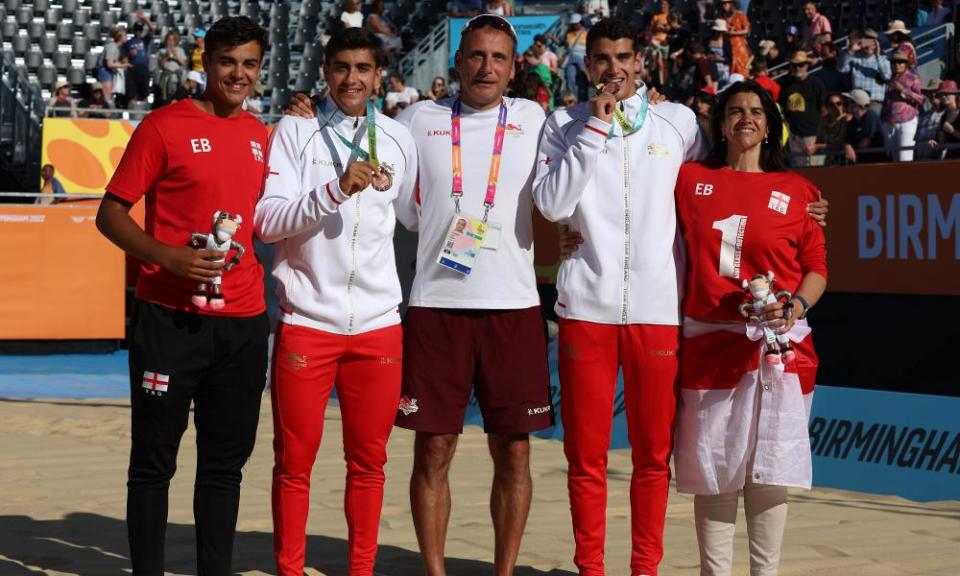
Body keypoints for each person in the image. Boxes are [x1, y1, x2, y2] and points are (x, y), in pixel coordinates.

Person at [94, 16, 270, 575]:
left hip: (244, 321)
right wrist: (166, 256)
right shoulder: (164, 127)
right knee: (153, 464)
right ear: (206, 62)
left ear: (260, 70)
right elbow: (109, 214)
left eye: (249, 64)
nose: (237, 74)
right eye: (227, 62)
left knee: (224, 467)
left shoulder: (262, 135)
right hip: (168, 319)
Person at [533, 17, 703, 576]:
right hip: (586, 308)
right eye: (602, 59)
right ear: (588, 66)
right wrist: (594, 133)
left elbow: (720, 183)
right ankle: (591, 569)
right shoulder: (563, 124)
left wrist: (804, 204)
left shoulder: (679, 122)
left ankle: (645, 569)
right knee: (585, 457)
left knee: (654, 457)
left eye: (623, 58)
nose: (613, 69)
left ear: (642, 61)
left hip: (655, 310)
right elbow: (554, 206)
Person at [393, 14, 553, 576]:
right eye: (478, 56)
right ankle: (435, 571)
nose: (487, 68)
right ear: (458, 61)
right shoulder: (417, 119)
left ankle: (503, 571)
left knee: (513, 450)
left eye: (499, 58)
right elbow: (402, 205)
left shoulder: (535, 119)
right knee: (433, 449)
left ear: (513, 68)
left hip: (513, 307)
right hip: (437, 306)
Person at [255, 28, 418, 576]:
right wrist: (335, 190)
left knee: (370, 464)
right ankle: (290, 569)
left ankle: (362, 569)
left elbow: (417, 217)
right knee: (293, 465)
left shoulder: (397, 138)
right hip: (308, 322)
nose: (352, 79)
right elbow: (266, 220)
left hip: (378, 326)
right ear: (325, 71)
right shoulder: (295, 130)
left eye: (363, 69)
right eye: (342, 67)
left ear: (380, 76)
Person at [673, 78, 827, 576]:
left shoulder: (799, 190)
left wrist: (796, 307)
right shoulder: (689, 179)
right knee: (716, 471)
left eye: (756, 111)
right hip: (709, 344)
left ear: (770, 124)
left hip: (780, 349)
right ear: (720, 123)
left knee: (768, 472)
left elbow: (817, 266)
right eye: (735, 110)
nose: (746, 118)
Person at [779, 50, 826, 166]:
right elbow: (782, 110)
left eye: (801, 65)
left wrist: (819, 139)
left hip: (812, 135)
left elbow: (824, 110)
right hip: (794, 137)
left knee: (816, 172)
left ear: (807, 66)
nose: (797, 68)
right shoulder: (786, 85)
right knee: (799, 174)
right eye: (794, 65)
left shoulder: (816, 83)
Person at [881, 50, 922, 162]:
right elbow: (886, 101)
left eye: (900, 62)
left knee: (905, 157)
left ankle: (908, 179)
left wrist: (903, 90)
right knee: (894, 158)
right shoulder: (889, 80)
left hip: (907, 120)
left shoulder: (913, 78)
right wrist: (883, 121)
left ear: (906, 64)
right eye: (894, 63)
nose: (897, 65)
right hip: (889, 121)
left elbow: (920, 99)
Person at [838, 29, 890, 117]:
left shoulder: (883, 59)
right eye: (866, 42)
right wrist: (851, 51)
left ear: (877, 43)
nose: (869, 45)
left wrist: (877, 56)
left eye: (872, 42)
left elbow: (887, 77)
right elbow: (841, 69)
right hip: (858, 105)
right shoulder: (854, 58)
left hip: (875, 104)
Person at [841, 88, 884, 164]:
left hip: (873, 162)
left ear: (857, 104)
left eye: (849, 102)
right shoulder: (854, 120)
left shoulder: (870, 116)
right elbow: (847, 139)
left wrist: (850, 147)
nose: (846, 104)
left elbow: (865, 143)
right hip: (860, 161)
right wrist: (847, 146)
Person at [123, 12, 156, 106]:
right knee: (131, 94)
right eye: (137, 30)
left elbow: (152, 29)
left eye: (140, 30)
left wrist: (145, 19)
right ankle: (131, 112)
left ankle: (144, 112)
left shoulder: (145, 40)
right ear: (134, 30)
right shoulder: (129, 42)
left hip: (143, 69)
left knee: (144, 94)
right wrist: (129, 54)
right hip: (133, 69)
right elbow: (124, 57)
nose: (138, 32)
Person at [97, 26, 130, 105]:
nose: (127, 37)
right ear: (120, 37)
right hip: (105, 72)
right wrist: (124, 65)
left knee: (109, 95)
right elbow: (109, 63)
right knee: (107, 95)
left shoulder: (117, 48)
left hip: (108, 72)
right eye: (125, 35)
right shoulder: (112, 46)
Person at [929, 80, 960, 159]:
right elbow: (942, 143)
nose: (943, 97)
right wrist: (935, 144)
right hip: (951, 158)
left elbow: (951, 132)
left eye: (947, 93)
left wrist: (953, 131)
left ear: (955, 95)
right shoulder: (943, 117)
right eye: (941, 94)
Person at [816, 92, 849, 164]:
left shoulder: (848, 119)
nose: (836, 106)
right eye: (831, 104)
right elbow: (821, 139)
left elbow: (841, 141)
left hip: (844, 160)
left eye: (838, 103)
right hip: (828, 160)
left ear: (842, 104)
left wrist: (817, 146)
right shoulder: (825, 122)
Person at [915, 79, 945, 160]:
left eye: (936, 91)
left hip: (938, 163)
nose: (932, 94)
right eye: (930, 92)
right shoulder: (923, 116)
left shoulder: (946, 115)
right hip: (919, 162)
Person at [720, 0, 751, 77]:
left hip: (740, 48)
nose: (724, 5)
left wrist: (734, 33)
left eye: (726, 3)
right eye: (722, 3)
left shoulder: (739, 15)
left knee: (743, 72)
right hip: (728, 47)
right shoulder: (722, 17)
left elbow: (747, 29)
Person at [158, 30, 188, 104]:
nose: (171, 42)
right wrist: (166, 56)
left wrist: (176, 56)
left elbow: (184, 63)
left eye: (173, 40)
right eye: (169, 39)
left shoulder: (180, 50)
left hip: (177, 78)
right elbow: (161, 66)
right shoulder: (162, 51)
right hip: (166, 77)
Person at [564, 14, 589, 102]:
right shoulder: (568, 34)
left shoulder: (587, 33)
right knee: (570, 79)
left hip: (582, 60)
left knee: (582, 80)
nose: (574, 25)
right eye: (572, 23)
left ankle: (584, 101)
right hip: (570, 59)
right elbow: (561, 44)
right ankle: (573, 101)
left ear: (580, 23)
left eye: (575, 23)